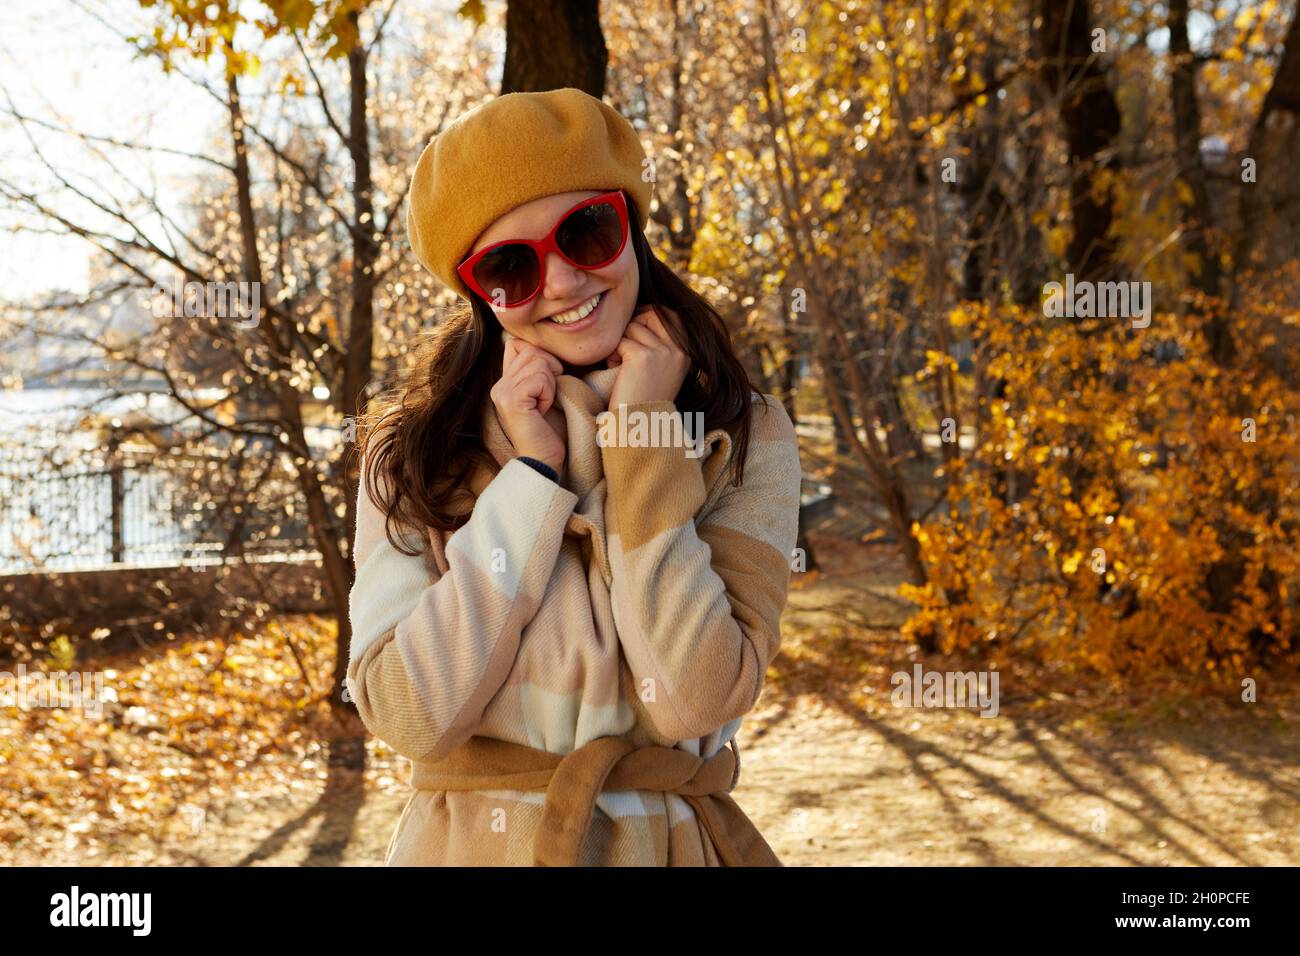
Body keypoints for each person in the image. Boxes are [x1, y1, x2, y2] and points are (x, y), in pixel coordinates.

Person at [347, 87, 802, 866]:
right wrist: (530, 479)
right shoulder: (411, 453)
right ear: (477, 295)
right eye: (510, 267)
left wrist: (644, 436)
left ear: (631, 228)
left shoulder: (743, 429)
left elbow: (697, 693)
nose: (559, 282)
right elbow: (407, 715)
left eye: (586, 231)